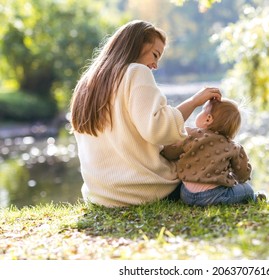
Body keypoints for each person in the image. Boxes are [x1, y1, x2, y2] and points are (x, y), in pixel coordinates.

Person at [69, 20, 221, 207]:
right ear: (138, 44)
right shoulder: (136, 72)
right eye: (155, 55)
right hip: (141, 190)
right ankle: (245, 192)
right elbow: (158, 130)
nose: (155, 65)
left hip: (100, 195)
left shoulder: (87, 82)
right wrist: (194, 101)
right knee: (214, 177)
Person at [161, 98, 263, 206]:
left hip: (186, 194)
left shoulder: (189, 134)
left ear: (208, 119)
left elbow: (169, 153)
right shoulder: (233, 147)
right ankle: (254, 198)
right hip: (213, 197)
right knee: (247, 189)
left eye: (202, 110)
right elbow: (242, 175)